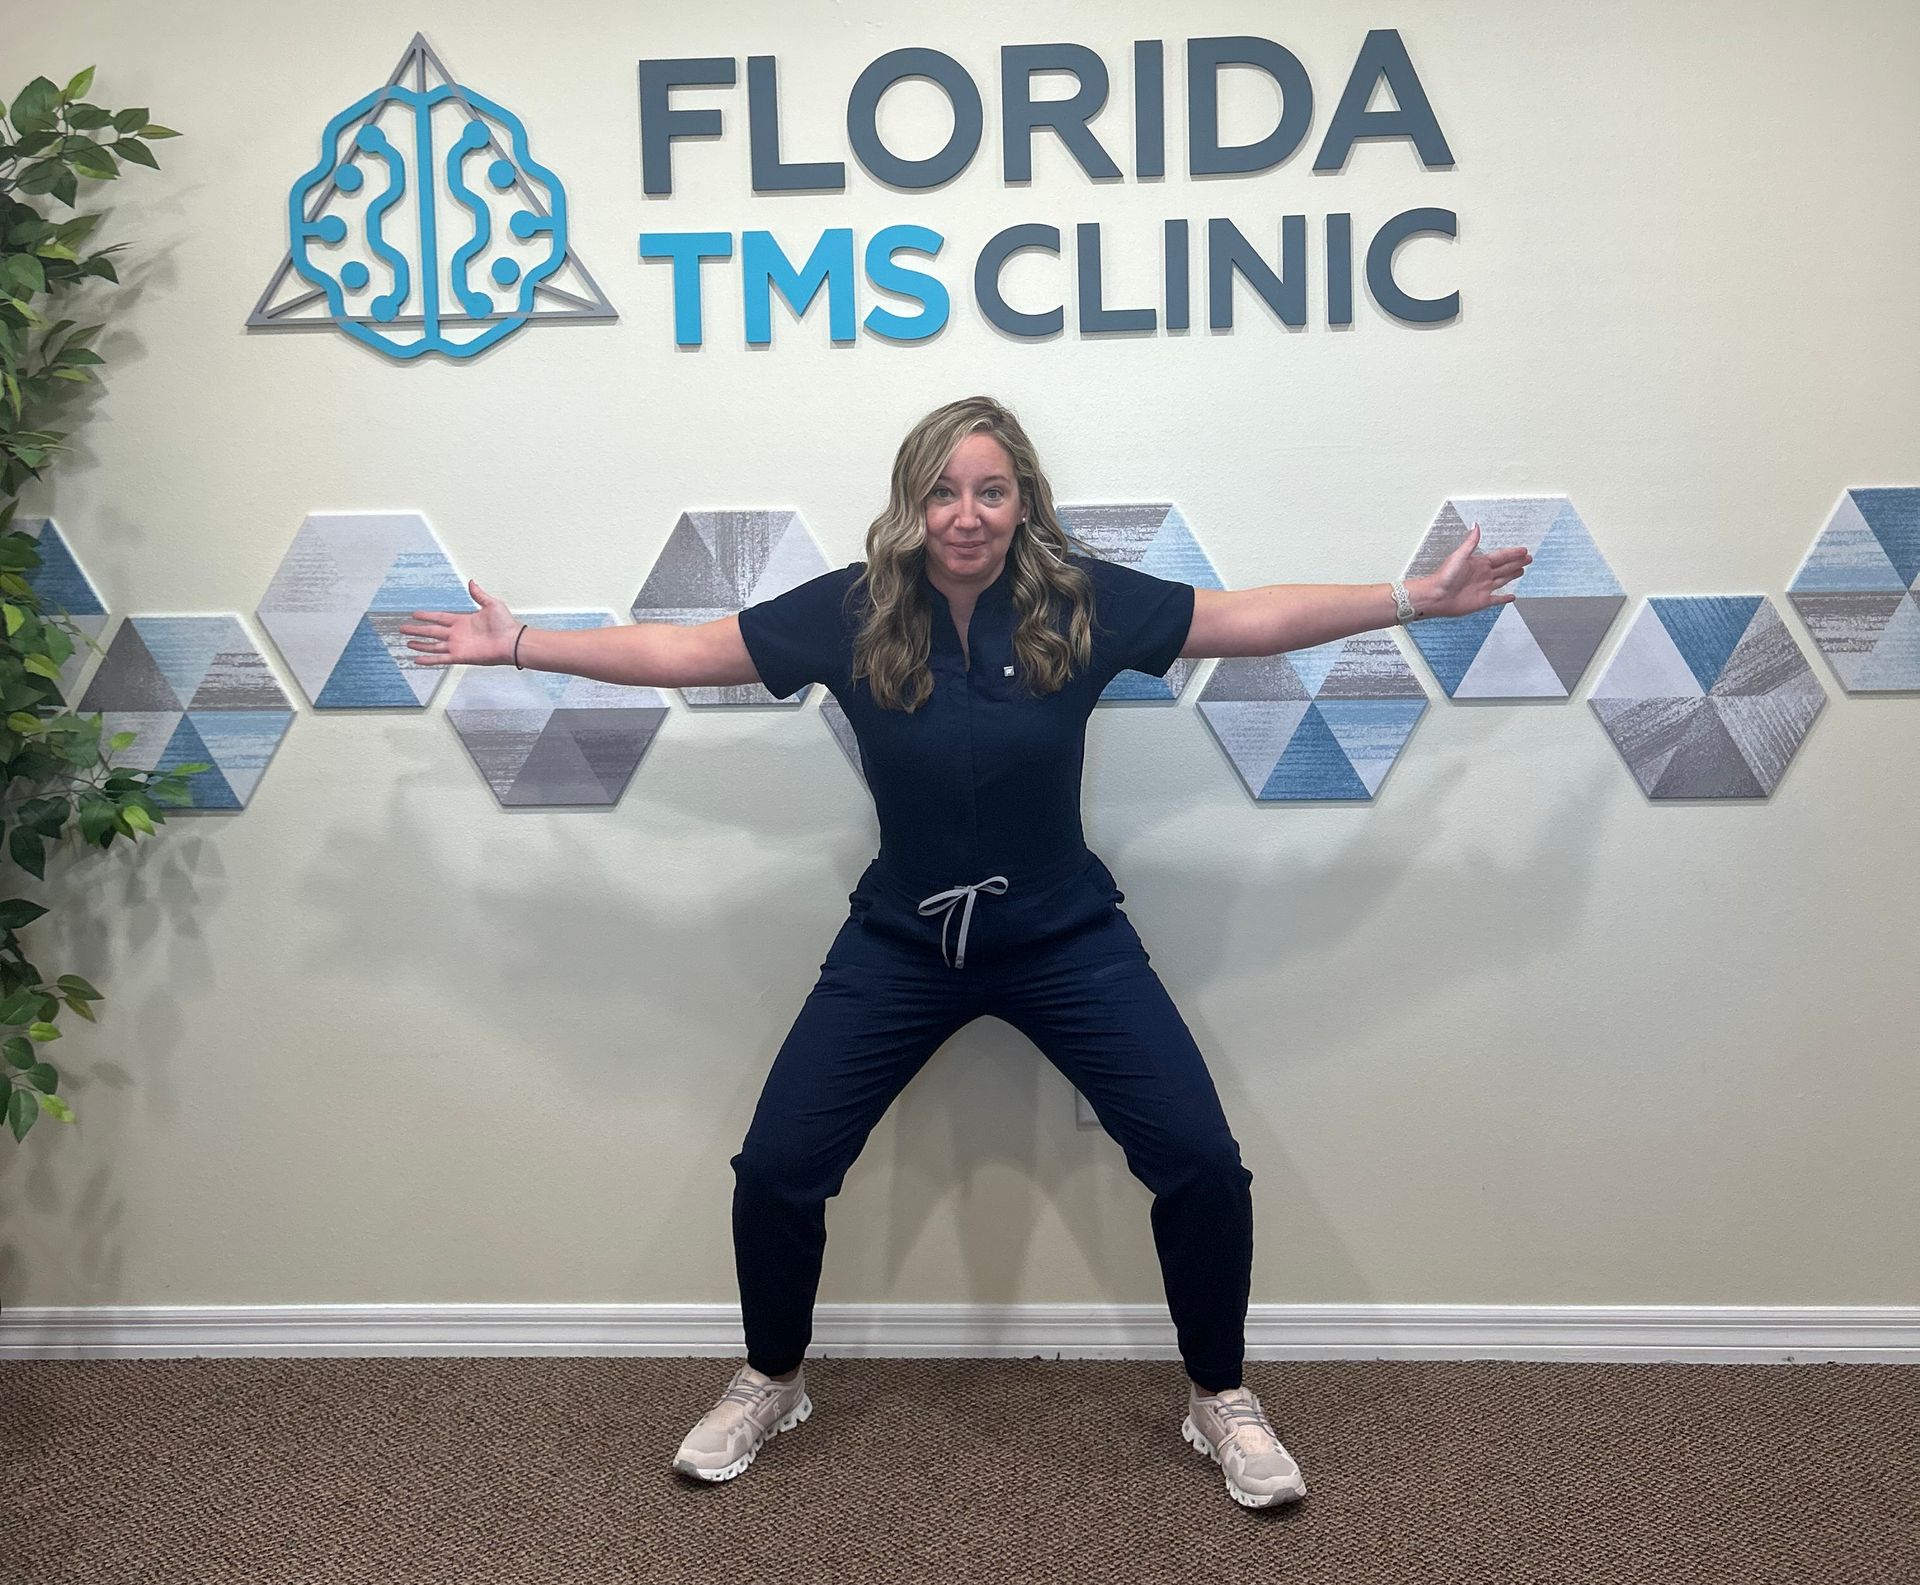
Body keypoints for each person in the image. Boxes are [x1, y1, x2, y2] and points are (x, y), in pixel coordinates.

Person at [404, 395, 1527, 1511]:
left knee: (1200, 1162)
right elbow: (689, 649)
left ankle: (1219, 1396)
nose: (966, 513)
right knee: (777, 1170)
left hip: (1066, 938)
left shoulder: (1078, 601)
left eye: (991, 489)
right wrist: (517, 642)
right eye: (943, 490)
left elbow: (1245, 620)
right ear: (913, 502)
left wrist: (1415, 599)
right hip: (903, 937)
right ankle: (772, 1377)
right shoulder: (853, 612)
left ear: (1023, 498)